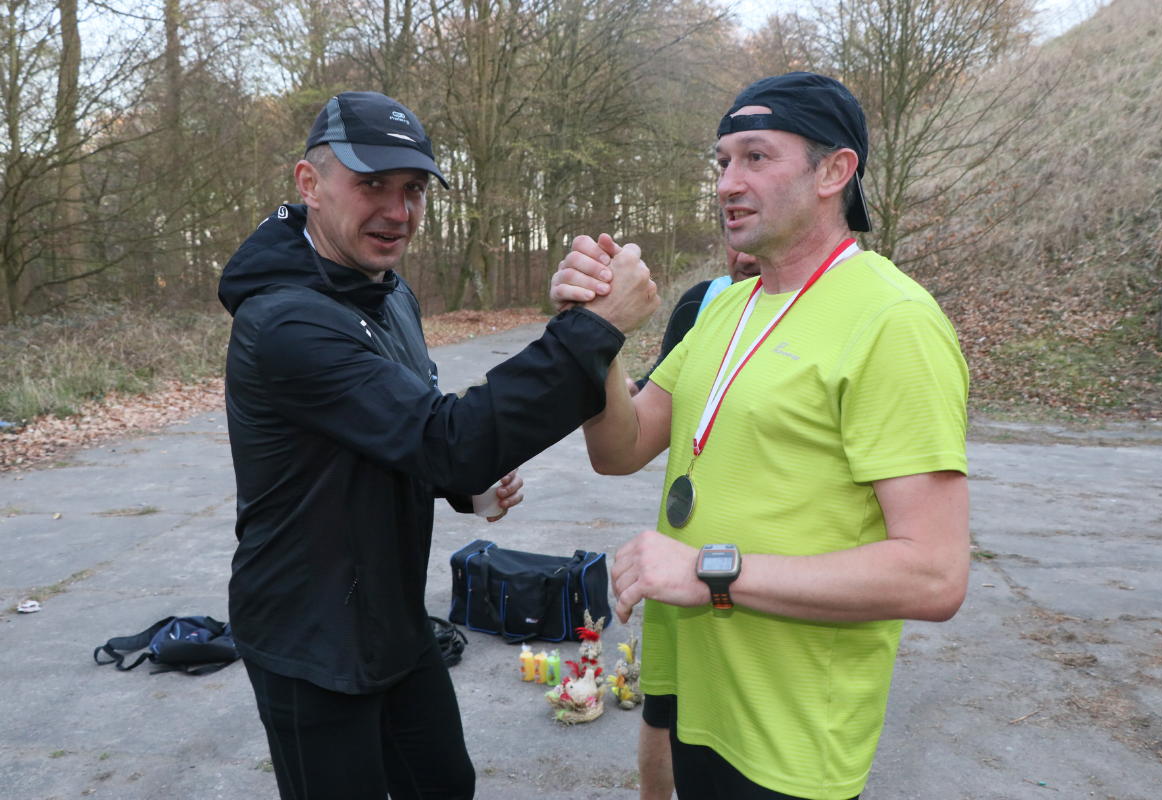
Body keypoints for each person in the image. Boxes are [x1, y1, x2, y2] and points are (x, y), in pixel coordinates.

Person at [218, 91, 659, 800]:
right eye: (372, 184)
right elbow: (444, 438)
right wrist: (594, 328)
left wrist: (462, 486)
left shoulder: (388, 293)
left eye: (414, 189)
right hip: (309, 638)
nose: (398, 210)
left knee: (446, 783)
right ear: (310, 184)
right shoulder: (285, 323)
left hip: (391, 616)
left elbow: (402, 427)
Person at [551, 72, 970, 800]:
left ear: (833, 172)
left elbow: (934, 575)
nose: (726, 184)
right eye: (722, 162)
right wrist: (596, 334)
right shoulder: (729, 308)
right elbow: (619, 450)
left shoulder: (893, 321)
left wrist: (709, 571)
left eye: (756, 157)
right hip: (698, 690)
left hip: (791, 731)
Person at [633, 245, 760, 392]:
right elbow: (661, 381)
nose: (745, 258)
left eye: (763, 239)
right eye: (736, 240)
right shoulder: (700, 299)